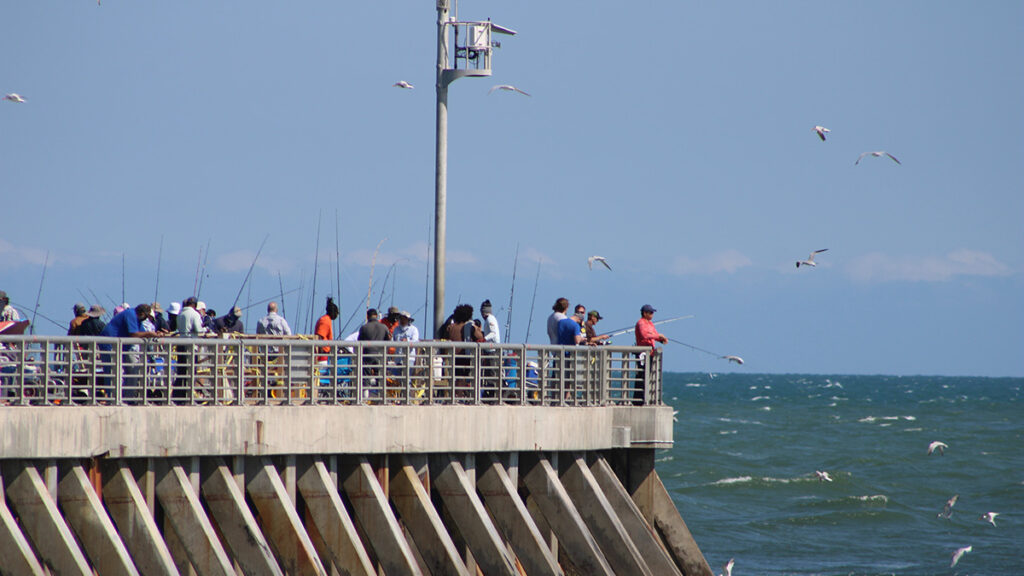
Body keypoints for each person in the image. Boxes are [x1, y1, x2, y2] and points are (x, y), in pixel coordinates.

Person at [633, 304, 668, 405]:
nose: (652, 315)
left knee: (648, 375)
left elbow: (654, 335)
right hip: (643, 353)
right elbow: (645, 335)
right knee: (642, 375)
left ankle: (644, 398)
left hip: (651, 353)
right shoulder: (641, 323)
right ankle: (638, 400)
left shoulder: (650, 324)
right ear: (645, 313)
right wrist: (659, 336)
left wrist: (661, 339)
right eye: (651, 312)